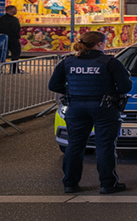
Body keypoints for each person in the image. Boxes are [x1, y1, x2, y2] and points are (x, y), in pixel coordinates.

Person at [48, 31, 132, 194]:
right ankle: (108, 184)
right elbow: (125, 87)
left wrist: (72, 91)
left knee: (75, 146)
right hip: (104, 107)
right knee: (105, 146)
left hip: (76, 107)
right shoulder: (109, 62)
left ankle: (70, 184)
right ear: (100, 44)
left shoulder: (68, 62)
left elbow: (53, 85)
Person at [0, 5, 22, 73]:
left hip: (3, 40)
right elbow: (16, 30)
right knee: (15, 54)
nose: (16, 11)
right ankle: (14, 69)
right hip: (13, 39)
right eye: (15, 9)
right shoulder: (14, 20)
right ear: (11, 10)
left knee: (3, 55)